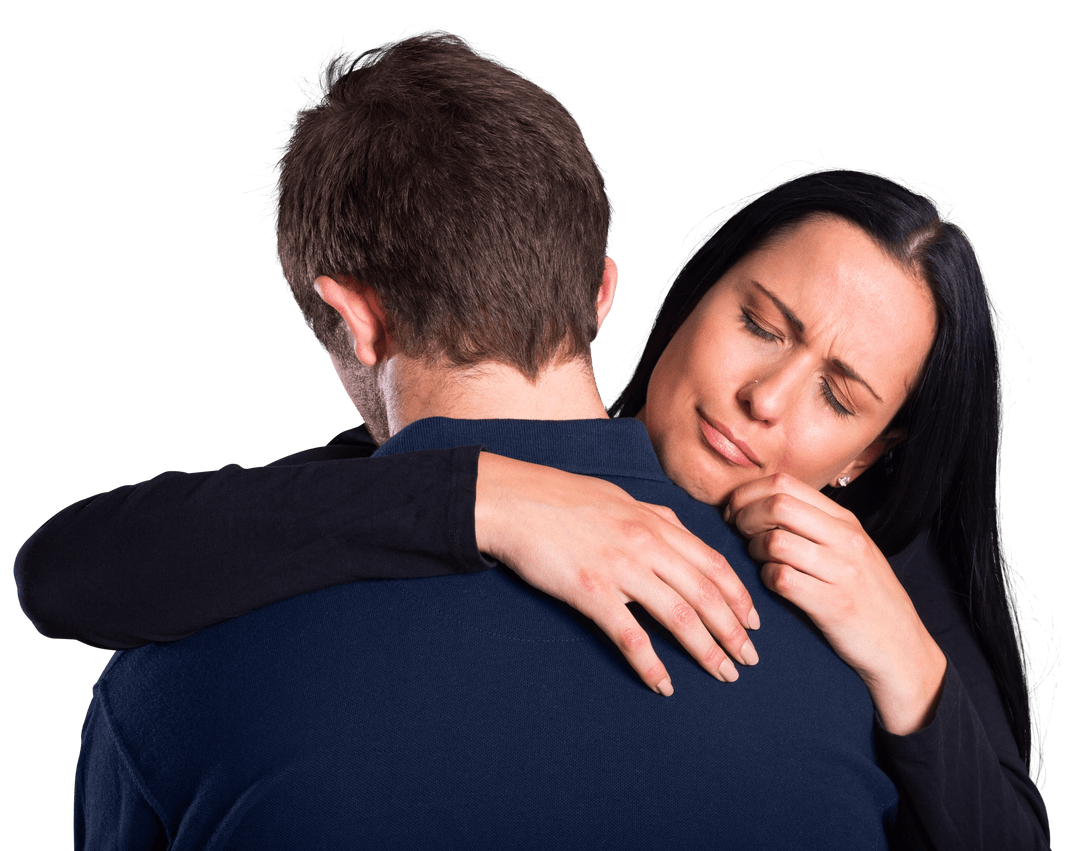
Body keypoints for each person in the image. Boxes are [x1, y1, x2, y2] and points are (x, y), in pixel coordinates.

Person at [12, 36, 1052, 851]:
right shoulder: (338, 510)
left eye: (838, 392)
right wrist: (488, 498)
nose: (764, 399)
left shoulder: (877, 618)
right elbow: (86, 564)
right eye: (759, 323)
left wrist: (910, 657)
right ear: (623, 293)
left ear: (871, 456)